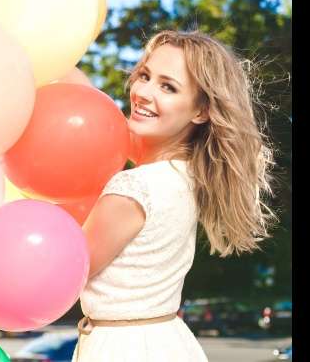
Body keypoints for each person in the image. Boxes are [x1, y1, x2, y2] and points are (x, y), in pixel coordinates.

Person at [72, 30, 276, 361]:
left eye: (168, 87)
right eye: (145, 76)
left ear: (201, 111)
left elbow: (67, 273)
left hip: (123, 349)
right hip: (168, 340)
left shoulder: (133, 188)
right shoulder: (187, 178)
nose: (143, 92)